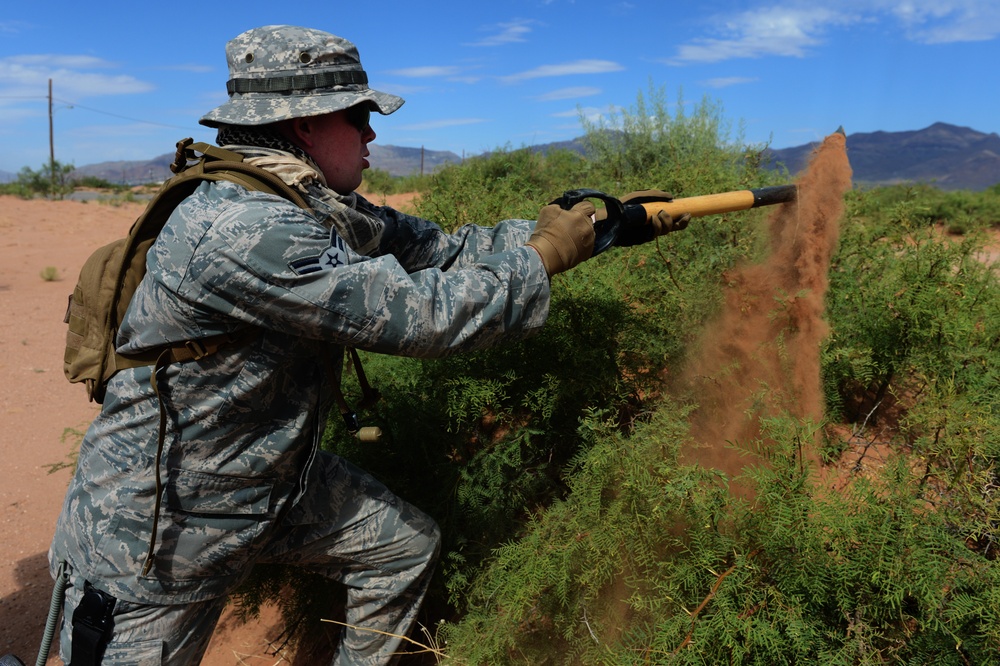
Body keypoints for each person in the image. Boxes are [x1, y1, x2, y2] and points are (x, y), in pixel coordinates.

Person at [47, 25, 685, 665]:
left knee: (399, 548)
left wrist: (602, 228)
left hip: (264, 481)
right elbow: (425, 318)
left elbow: (444, 249)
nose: (373, 135)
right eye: (359, 117)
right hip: (157, 533)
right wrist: (546, 255)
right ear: (305, 125)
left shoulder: (307, 203)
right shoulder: (247, 228)